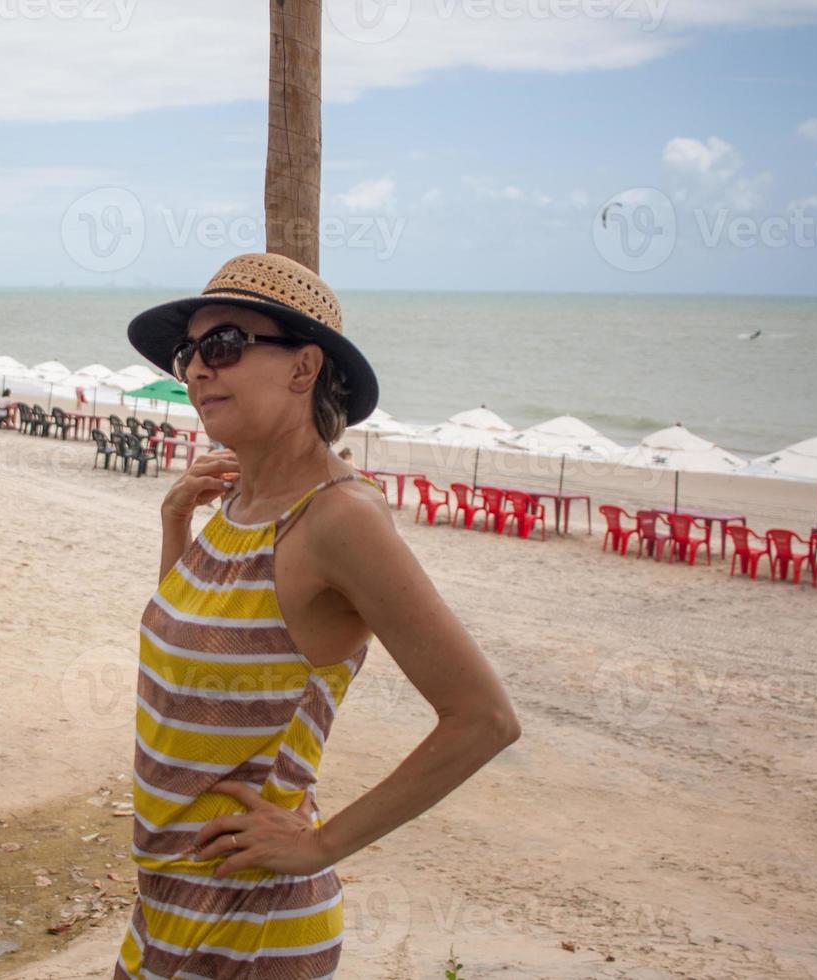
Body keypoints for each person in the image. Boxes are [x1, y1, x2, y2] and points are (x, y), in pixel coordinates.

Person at [114, 252, 521, 978]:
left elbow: (483, 718)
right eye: (189, 353)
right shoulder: (236, 503)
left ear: (303, 369)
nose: (198, 369)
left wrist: (319, 845)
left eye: (224, 345)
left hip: (254, 926)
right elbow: (193, 655)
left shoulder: (337, 519)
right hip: (166, 904)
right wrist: (175, 521)